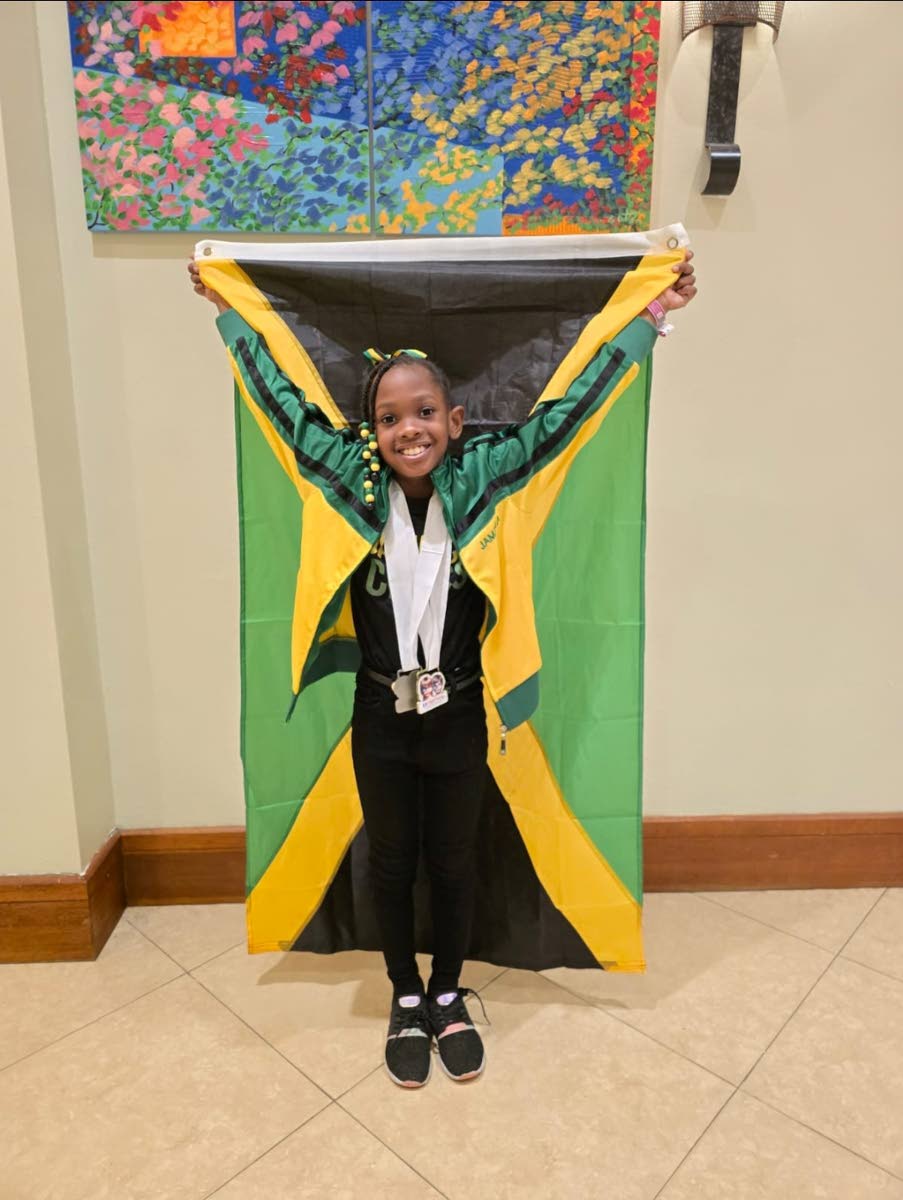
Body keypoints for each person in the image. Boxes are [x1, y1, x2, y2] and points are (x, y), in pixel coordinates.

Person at [188, 251, 697, 1088]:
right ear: (372, 432)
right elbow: (282, 409)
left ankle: (449, 994)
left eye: (424, 412)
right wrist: (232, 314)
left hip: (460, 711)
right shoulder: (349, 479)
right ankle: (404, 995)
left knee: (455, 861)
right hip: (380, 716)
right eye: (389, 418)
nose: (409, 430)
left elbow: (568, 415)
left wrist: (644, 321)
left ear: (454, 421)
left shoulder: (488, 476)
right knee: (392, 862)